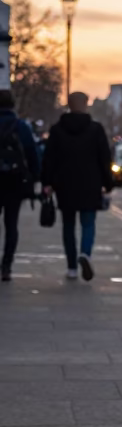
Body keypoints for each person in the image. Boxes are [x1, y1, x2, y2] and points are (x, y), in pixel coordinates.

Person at [42, 91, 113, 281]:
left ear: (69, 104)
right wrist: (107, 183)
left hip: (64, 184)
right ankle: (85, 253)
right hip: (91, 183)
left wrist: (47, 182)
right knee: (88, 223)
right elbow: (104, 158)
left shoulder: (57, 130)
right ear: (86, 104)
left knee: (68, 225)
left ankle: (72, 266)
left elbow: (49, 159)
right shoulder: (96, 129)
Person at [0, 89, 41, 282]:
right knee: (11, 224)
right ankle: (6, 266)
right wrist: (35, 177)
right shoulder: (20, 126)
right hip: (14, 181)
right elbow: (32, 153)